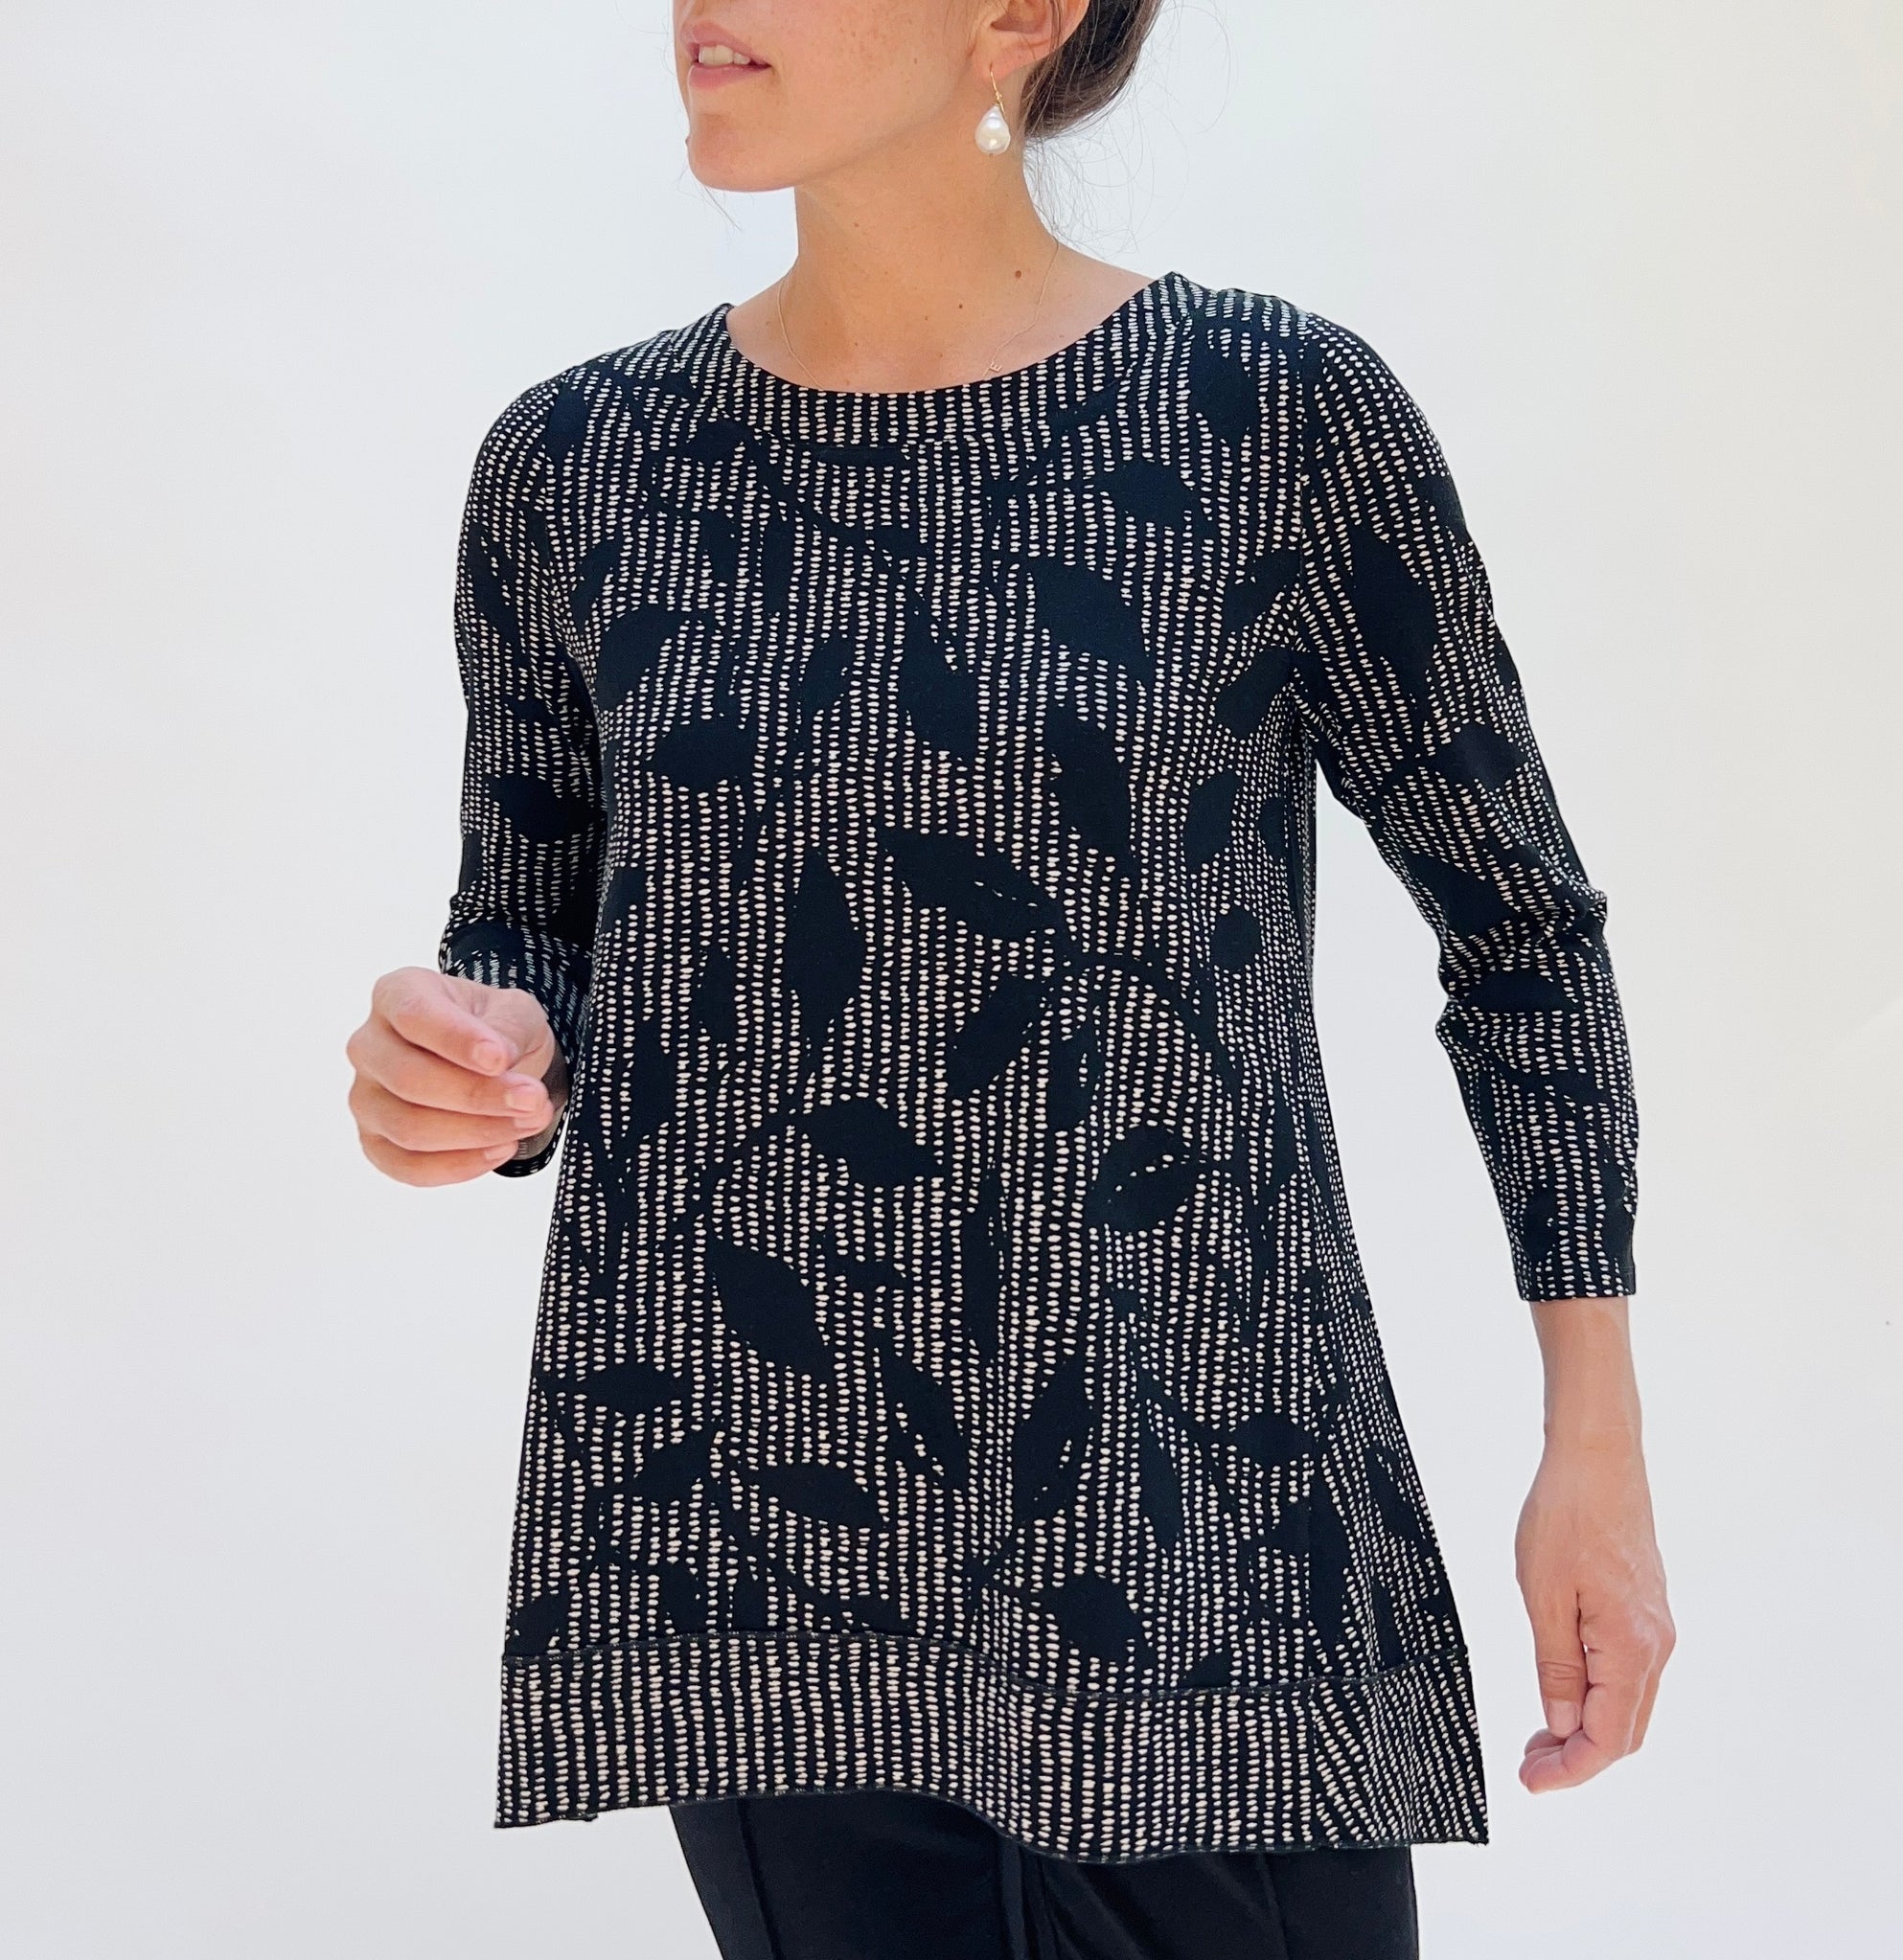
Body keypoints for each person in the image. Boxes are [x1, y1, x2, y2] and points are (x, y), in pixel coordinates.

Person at [343, 2, 1675, 1952]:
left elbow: (1521, 928)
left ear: (1020, 16)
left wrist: (1594, 1442)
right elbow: (526, 934)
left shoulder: (1272, 417)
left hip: (1202, 1535)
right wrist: (475, 1062)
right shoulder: (574, 467)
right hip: (764, 1561)